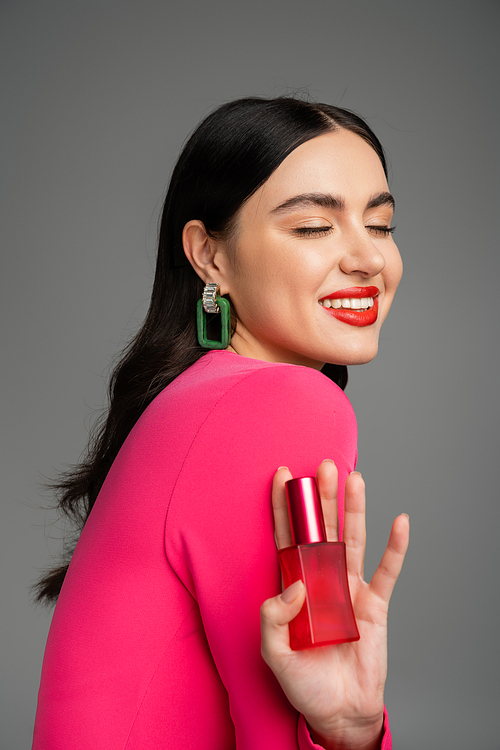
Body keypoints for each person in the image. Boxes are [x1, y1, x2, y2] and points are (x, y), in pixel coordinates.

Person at [32, 96, 409, 750]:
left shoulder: (194, 398)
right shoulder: (281, 402)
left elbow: (313, 669)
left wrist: (345, 724)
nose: (368, 258)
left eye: (379, 225)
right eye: (314, 227)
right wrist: (347, 732)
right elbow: (276, 728)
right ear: (209, 256)